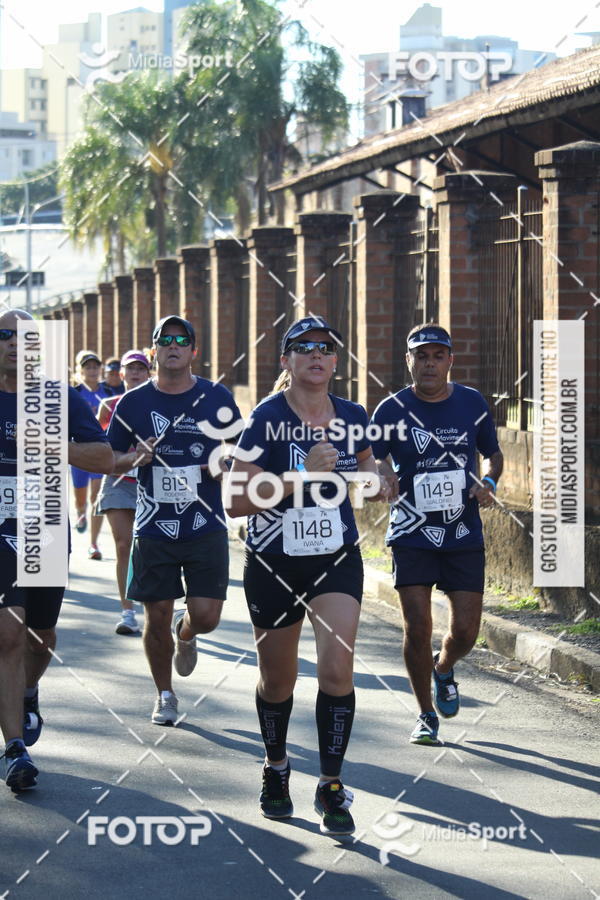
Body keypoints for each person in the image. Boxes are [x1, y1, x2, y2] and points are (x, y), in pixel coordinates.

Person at [226, 316, 389, 837]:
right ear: (287, 360)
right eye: (304, 347)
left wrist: (378, 482)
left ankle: (331, 784)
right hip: (273, 561)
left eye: (325, 347)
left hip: (334, 558)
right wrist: (303, 475)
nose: (316, 354)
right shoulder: (266, 418)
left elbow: (370, 470)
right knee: (279, 679)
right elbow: (236, 500)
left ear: (336, 361)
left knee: (337, 670)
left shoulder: (353, 415)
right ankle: (276, 767)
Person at [369, 324, 503, 746]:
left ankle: (443, 668)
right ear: (408, 361)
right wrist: (383, 474)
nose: (429, 364)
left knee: (466, 631)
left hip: (462, 532)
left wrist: (489, 482)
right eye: (421, 356)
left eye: (437, 356)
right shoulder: (391, 409)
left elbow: (493, 454)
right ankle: (426, 714)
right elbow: (373, 458)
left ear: (449, 361)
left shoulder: (471, 403)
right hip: (411, 533)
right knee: (417, 626)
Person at [107, 315, 241, 726]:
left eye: (182, 341)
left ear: (194, 351)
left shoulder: (215, 396)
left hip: (205, 524)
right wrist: (134, 458)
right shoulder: (133, 403)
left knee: (207, 616)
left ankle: (187, 632)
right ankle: (164, 694)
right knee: (156, 615)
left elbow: (241, 448)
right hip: (153, 526)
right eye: (165, 340)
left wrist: (224, 462)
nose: (173, 346)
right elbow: (110, 459)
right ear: (154, 351)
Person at [0, 309, 113, 792]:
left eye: (25, 337)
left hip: (43, 524)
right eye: (5, 335)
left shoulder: (57, 397)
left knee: (40, 636)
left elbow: (103, 457)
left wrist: (53, 446)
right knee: (7, 634)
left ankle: (28, 690)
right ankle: (14, 749)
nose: (14, 343)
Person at [95, 350, 151, 636]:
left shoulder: (158, 403)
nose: (135, 373)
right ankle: (127, 613)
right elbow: (95, 441)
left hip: (150, 483)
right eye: (131, 369)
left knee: (151, 548)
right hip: (118, 481)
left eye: (141, 369)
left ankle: (156, 609)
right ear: (121, 374)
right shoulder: (109, 405)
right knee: (122, 544)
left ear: (149, 373)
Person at [72, 349, 111, 558]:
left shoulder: (108, 391)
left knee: (97, 495)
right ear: (81, 371)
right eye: (88, 367)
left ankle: (94, 543)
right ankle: (80, 512)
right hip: (78, 451)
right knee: (81, 498)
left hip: (99, 450)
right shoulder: (74, 393)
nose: (93, 370)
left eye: (96, 366)